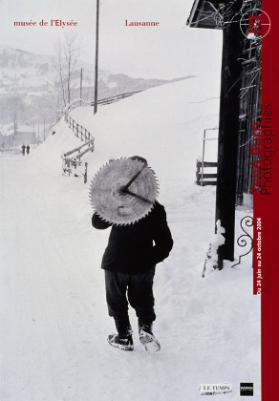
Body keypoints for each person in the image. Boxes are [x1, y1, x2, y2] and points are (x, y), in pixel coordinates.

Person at [91, 156, 173, 352]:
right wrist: (150, 259)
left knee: (116, 299)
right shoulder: (155, 208)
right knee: (143, 298)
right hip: (142, 265)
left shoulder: (120, 203)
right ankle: (145, 329)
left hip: (115, 261)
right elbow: (166, 243)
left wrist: (110, 201)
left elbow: (97, 223)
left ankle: (124, 337)